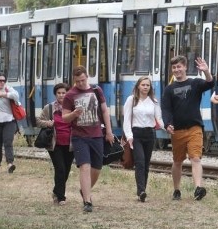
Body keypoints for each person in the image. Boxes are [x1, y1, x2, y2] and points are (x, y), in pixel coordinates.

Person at [62, 66, 114, 213]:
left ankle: (85, 191)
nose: (80, 83)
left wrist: (109, 131)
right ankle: (87, 201)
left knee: (97, 168)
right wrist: (73, 114)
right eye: (77, 81)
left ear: (87, 77)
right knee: (84, 167)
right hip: (79, 137)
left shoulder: (96, 90)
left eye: (83, 80)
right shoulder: (70, 95)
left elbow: (104, 110)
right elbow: (65, 118)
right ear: (74, 80)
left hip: (97, 135)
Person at [161, 55, 214, 201]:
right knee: (177, 161)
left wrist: (206, 72)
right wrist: (167, 124)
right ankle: (176, 189)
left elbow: (210, 84)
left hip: (194, 128)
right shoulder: (169, 89)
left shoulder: (195, 83)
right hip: (177, 130)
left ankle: (198, 188)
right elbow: (166, 109)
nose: (177, 70)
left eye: (179, 67)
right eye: (174, 67)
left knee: (195, 158)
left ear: (185, 67)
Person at [123, 76, 163, 203]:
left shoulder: (154, 102)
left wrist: (167, 127)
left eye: (148, 85)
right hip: (136, 134)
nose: (145, 87)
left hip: (149, 134)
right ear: (138, 86)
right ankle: (141, 191)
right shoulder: (131, 100)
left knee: (146, 164)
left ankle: (143, 190)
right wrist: (129, 136)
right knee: (140, 162)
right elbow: (127, 120)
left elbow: (159, 119)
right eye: (143, 85)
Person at [37, 83, 74, 205]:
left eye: (64, 93)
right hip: (55, 144)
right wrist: (49, 123)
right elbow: (38, 120)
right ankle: (61, 197)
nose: (61, 95)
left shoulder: (72, 108)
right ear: (55, 94)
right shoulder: (50, 108)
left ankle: (56, 191)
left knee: (67, 169)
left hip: (70, 144)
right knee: (60, 169)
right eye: (59, 93)